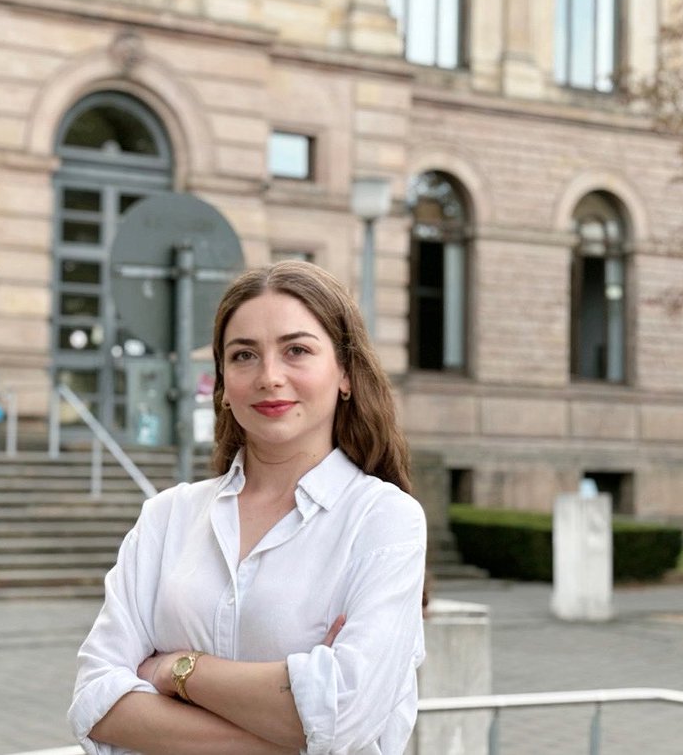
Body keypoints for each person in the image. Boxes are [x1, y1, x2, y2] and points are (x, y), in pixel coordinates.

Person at [69, 261, 427, 754]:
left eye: (297, 350)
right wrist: (292, 732)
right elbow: (95, 700)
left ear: (345, 372)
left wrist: (174, 669)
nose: (269, 377)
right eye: (244, 356)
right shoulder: (167, 516)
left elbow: (345, 712)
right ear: (222, 383)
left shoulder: (383, 519)